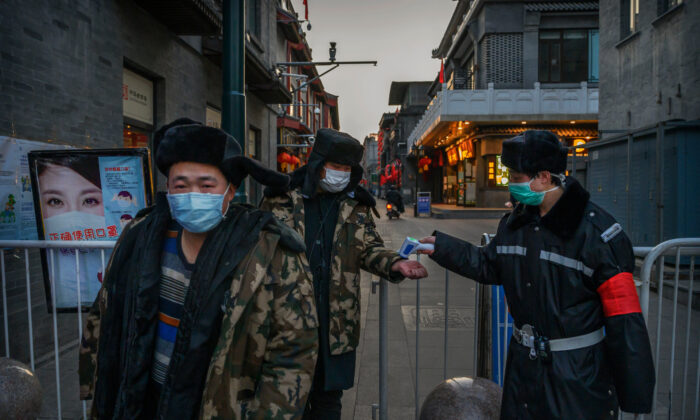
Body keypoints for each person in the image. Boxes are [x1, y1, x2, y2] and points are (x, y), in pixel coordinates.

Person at [79, 119, 319, 419]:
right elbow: (104, 313)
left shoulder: (270, 251)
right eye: (182, 185)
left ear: (230, 192)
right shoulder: (139, 237)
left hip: (221, 407)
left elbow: (294, 352)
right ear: (168, 188)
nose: (193, 194)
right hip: (141, 400)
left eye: (207, 185)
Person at [418, 130, 655, 419]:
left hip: (577, 379)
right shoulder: (517, 223)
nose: (510, 184)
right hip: (523, 373)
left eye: (516, 177)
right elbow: (489, 264)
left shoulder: (599, 235)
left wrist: (635, 394)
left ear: (544, 176)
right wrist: (441, 247)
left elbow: (626, 321)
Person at [260, 128, 428, 420]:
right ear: (318, 163)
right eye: (335, 166)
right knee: (286, 401)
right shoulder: (281, 200)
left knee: (328, 402)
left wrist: (394, 263)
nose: (341, 173)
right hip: (288, 321)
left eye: (347, 168)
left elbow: (369, 247)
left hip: (337, 322)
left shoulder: (356, 205)